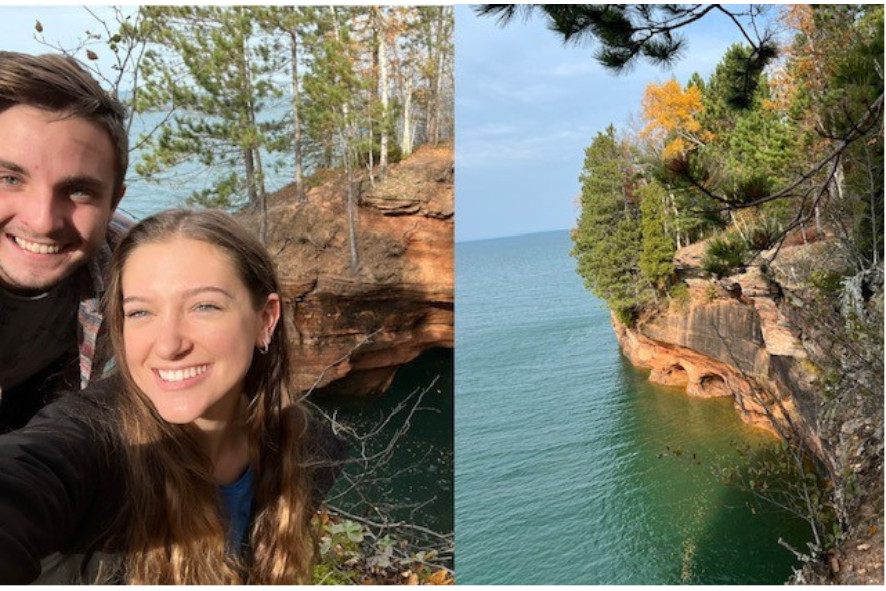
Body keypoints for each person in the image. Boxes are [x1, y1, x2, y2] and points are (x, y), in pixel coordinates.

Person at [0, 209, 346, 584]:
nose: (168, 345)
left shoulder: (303, 450)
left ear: (265, 320)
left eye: (204, 306)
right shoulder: (92, 444)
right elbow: (27, 474)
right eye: (141, 312)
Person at [0, 51, 130, 432]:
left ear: (113, 203)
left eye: (78, 190)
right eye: (9, 179)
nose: (43, 221)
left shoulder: (128, 272)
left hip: (46, 379)